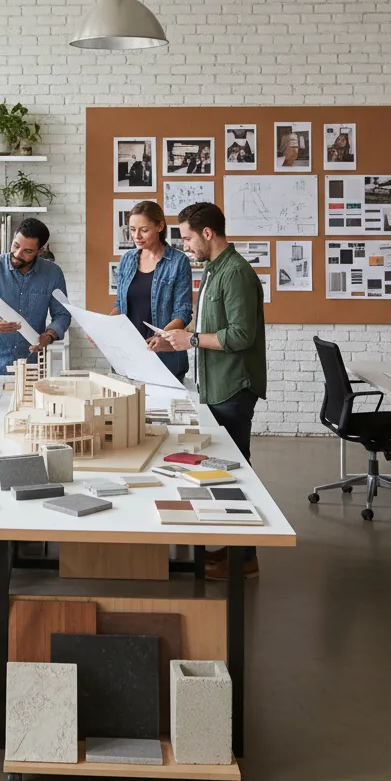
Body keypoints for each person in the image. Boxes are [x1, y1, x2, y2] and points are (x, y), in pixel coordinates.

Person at [163, 202, 266, 580]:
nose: (185, 245)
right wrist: (173, 339)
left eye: (188, 238)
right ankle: (231, 548)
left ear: (208, 233)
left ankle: (246, 558)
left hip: (233, 385)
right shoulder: (212, 270)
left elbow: (240, 336)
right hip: (215, 383)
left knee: (235, 471)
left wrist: (188, 339)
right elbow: (202, 324)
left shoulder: (236, 273)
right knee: (222, 469)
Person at [0, 217, 70, 375]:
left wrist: (48, 336)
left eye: (28, 251)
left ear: (40, 251)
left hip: (33, 365)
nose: (18, 254)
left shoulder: (53, 274)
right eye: (16, 245)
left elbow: (62, 315)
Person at [112, 200, 193, 381]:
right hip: (128, 356)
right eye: (132, 229)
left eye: (144, 230)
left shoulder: (178, 262)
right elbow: (120, 304)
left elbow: (183, 312)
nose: (136, 236)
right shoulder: (127, 259)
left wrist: (162, 337)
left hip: (165, 357)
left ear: (159, 226)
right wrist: (103, 327)